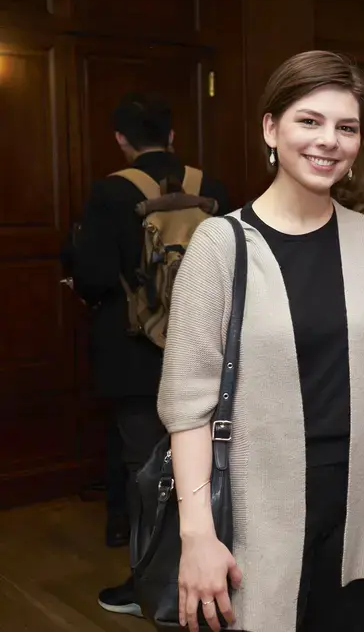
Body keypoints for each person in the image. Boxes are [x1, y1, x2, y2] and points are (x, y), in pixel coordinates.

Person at [157, 51, 364, 632]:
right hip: (256, 502)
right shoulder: (219, 245)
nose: (329, 141)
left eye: (346, 127)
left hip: (356, 499)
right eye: (310, 121)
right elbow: (187, 404)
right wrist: (197, 533)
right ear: (271, 128)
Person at [67, 92, 229, 618]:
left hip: (136, 353)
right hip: (209, 346)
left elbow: (91, 274)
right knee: (210, 465)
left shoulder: (111, 193)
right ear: (174, 135)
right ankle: (216, 571)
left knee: (146, 472)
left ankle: (152, 587)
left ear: (121, 139)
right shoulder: (212, 188)